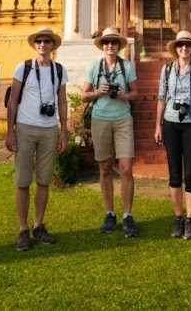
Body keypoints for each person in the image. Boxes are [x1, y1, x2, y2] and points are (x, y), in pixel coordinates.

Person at [5, 27, 68, 251]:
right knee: (23, 181)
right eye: (39, 41)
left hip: (49, 129)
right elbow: (12, 100)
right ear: (34, 44)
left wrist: (64, 130)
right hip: (25, 127)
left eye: (46, 41)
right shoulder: (23, 67)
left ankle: (38, 225)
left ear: (52, 45)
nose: (42, 44)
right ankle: (23, 229)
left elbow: (62, 101)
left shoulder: (59, 70)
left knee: (43, 181)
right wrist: (10, 131)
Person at [153, 30, 191, 240]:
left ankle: (189, 219)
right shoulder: (167, 69)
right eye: (181, 45)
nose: (184, 48)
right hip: (171, 124)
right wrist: (158, 125)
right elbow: (161, 97)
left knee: (190, 174)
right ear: (176, 48)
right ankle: (178, 217)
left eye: (188, 45)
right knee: (174, 174)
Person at [81, 27, 139, 237]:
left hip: (122, 118)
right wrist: (98, 92)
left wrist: (124, 95)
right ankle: (109, 213)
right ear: (102, 45)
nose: (110, 46)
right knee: (105, 167)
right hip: (101, 119)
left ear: (118, 45)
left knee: (126, 168)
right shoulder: (94, 66)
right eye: (106, 42)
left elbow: (136, 93)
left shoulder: (126, 66)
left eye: (114, 42)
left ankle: (127, 215)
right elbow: (84, 95)